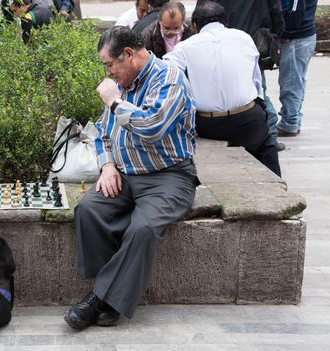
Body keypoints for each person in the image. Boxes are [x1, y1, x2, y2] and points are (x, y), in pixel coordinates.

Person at [64, 26, 198, 330]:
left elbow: (152, 127)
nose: (108, 72)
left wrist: (114, 102)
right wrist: (107, 166)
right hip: (124, 173)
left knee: (143, 228)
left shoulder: (169, 78)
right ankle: (111, 296)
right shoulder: (122, 84)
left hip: (169, 177)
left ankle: (98, 300)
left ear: (128, 54)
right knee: (88, 210)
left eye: (110, 64)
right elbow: (100, 133)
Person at [164, 1, 281, 176]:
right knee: (268, 145)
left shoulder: (185, 47)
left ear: (195, 25)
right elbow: (256, 81)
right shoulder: (243, 38)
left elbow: (165, 70)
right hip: (247, 119)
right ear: (225, 22)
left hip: (209, 124)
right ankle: (277, 185)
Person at [196, 0, 285, 149]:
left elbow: (201, 10)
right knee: (257, 90)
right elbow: (275, 11)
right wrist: (275, 34)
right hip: (252, 39)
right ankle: (269, 135)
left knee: (224, 87)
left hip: (216, 41)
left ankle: (261, 133)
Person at [276, 0, 318, 137]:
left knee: (290, 81)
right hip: (304, 34)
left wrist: (285, 33)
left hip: (295, 37)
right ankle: (294, 120)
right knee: (297, 80)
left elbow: (296, 8)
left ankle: (290, 123)